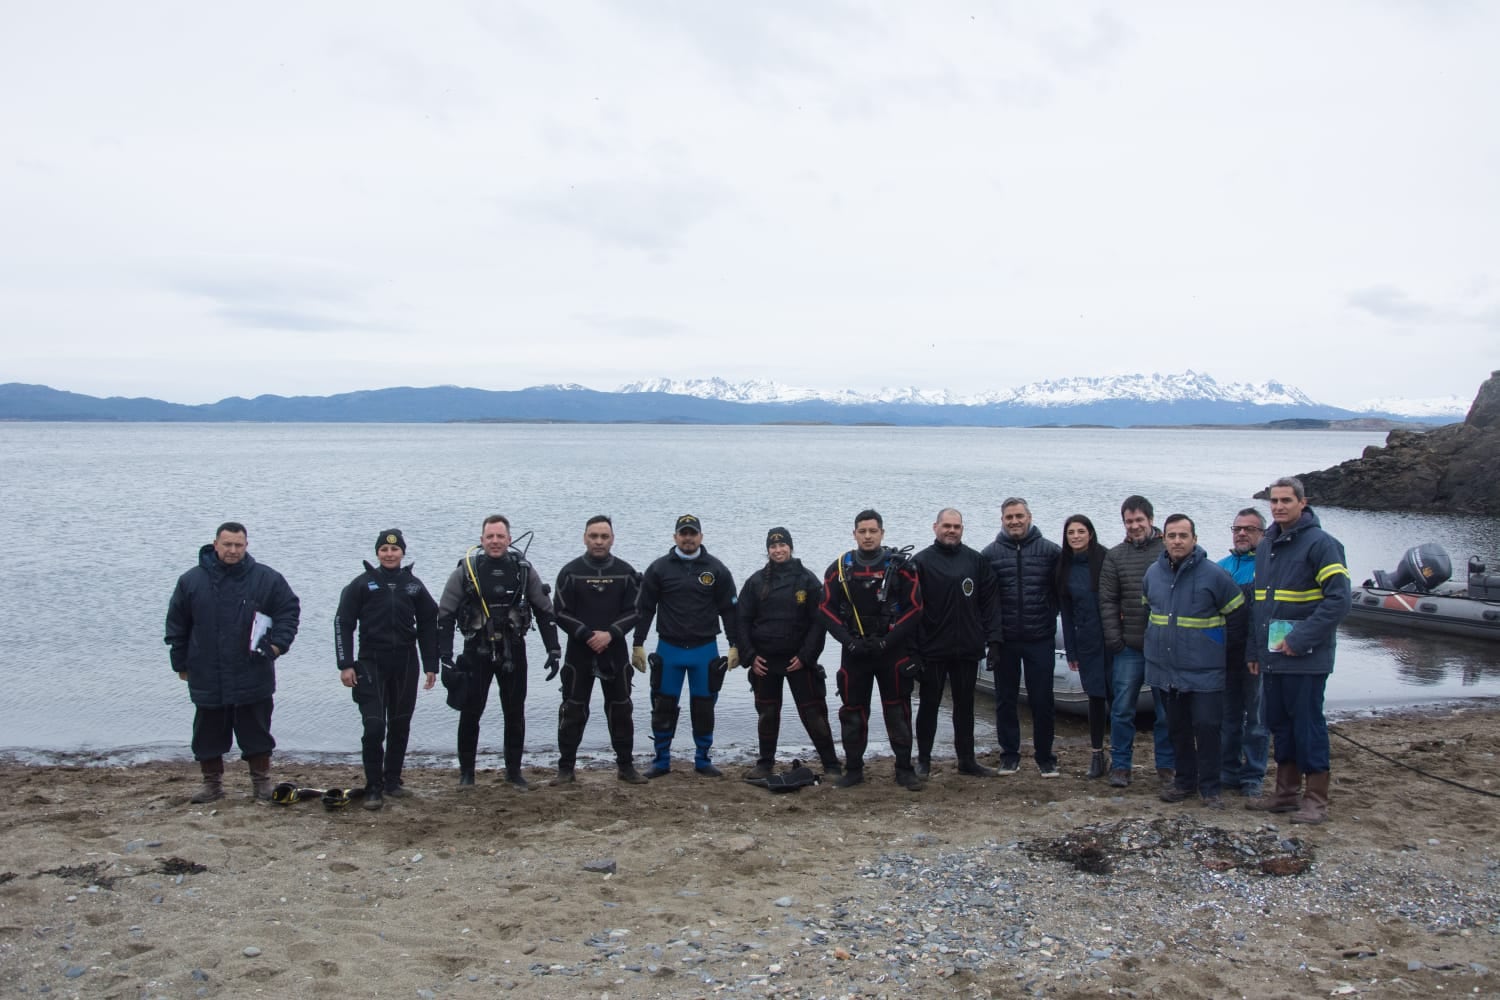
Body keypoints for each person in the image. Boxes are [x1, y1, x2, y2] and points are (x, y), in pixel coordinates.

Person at [165, 522, 301, 803]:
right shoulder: (191, 581)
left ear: (246, 546)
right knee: (207, 731)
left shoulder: (267, 578)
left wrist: (277, 645)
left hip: (253, 670)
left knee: (257, 730)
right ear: (215, 544)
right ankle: (212, 785)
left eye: (238, 545)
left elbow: (289, 611)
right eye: (227, 544)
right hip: (206, 671)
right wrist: (180, 664)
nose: (232, 550)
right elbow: (177, 626)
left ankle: (261, 784)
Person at [1248, 477, 1352, 824]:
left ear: (1302, 503)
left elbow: (1339, 600)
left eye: (1286, 501)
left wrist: (1301, 638)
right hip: (1273, 655)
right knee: (1280, 725)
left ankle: (1316, 799)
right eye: (1274, 501)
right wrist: (1255, 651)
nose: (1278, 506)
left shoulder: (1322, 545)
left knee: (1308, 726)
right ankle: (1285, 793)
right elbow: (1259, 604)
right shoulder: (1266, 546)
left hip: (1306, 657)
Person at [436, 515, 561, 790]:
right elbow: (444, 615)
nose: (495, 541)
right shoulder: (466, 571)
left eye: (500, 536)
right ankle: (467, 775)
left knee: (515, 713)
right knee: (470, 713)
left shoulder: (523, 570)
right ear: (481, 540)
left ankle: (514, 773)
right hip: (475, 649)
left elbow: (545, 611)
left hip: (513, 649)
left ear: (509, 539)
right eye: (490, 537)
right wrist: (444, 657)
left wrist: (554, 650)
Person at [818, 509, 925, 791]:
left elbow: (915, 609)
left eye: (873, 531)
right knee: (853, 711)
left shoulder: (900, 566)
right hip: (855, 651)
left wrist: (886, 642)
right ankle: (853, 769)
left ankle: (904, 768)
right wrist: (847, 641)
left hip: (891, 650)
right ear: (854, 534)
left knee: (898, 711)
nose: (867, 536)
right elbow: (825, 609)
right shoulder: (840, 568)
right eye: (862, 531)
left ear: (882, 533)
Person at [1142, 514, 1245, 808]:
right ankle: (1185, 781)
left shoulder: (1214, 575)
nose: (1177, 541)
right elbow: (1148, 610)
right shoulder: (1153, 574)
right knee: (1178, 728)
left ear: (1194, 540)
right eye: (1172, 535)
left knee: (1208, 727)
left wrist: (1225, 654)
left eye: (1183, 536)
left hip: (1206, 671)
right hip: (1167, 670)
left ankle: (1211, 788)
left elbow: (1237, 617)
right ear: (1164, 538)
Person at [333, 529, 439, 810]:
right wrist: (345, 665)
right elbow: (343, 623)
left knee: (400, 723)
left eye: (394, 550)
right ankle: (373, 786)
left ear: (402, 552)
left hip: (406, 662)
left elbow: (430, 621)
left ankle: (392, 781)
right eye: (384, 550)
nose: (390, 554)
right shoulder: (362, 584)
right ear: (377, 553)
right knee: (374, 725)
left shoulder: (413, 585)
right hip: (371, 662)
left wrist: (431, 664)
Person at [631, 514, 740, 778]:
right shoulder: (659, 569)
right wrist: (638, 643)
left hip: (705, 649)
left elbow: (730, 610)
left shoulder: (716, 569)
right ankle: (661, 759)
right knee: (663, 705)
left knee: (704, 706)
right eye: (683, 533)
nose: (688, 538)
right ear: (675, 537)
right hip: (670, 649)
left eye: (692, 533)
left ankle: (702, 759)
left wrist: (735, 644)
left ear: (701, 537)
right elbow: (645, 609)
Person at [551, 515, 649, 785]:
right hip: (579, 652)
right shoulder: (570, 572)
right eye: (593, 536)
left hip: (613, 651)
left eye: (604, 537)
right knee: (572, 709)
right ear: (584, 538)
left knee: (620, 709)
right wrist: (585, 634)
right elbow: (559, 611)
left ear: (612, 539)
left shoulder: (626, 572)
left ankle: (626, 767)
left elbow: (636, 611)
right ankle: (566, 768)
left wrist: (611, 634)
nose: (598, 541)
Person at [737, 526, 841, 780]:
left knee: (814, 714)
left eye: (782, 545)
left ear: (790, 547)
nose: (778, 550)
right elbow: (741, 620)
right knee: (767, 714)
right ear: (768, 550)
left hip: (799, 661)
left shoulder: (807, 580)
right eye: (773, 547)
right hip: (765, 661)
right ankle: (764, 763)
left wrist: (807, 656)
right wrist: (749, 656)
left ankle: (831, 765)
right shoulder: (756, 581)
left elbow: (820, 622)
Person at [911, 508, 1003, 778]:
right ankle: (924, 761)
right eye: (946, 526)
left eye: (957, 526)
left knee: (965, 707)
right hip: (933, 650)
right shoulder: (921, 562)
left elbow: (990, 603)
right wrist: (913, 651)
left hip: (967, 648)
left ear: (962, 529)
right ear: (935, 527)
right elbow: (910, 611)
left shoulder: (976, 561)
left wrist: (994, 641)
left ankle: (967, 760)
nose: (951, 530)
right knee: (928, 706)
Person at [1098, 495, 1176, 790]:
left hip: (1163, 648)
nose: (1134, 526)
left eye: (1139, 520)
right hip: (1128, 646)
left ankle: (1167, 765)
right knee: (1121, 710)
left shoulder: (1168, 551)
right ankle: (1120, 766)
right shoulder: (1115, 556)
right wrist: (1114, 639)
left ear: (1151, 520)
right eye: (1129, 521)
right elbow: (1107, 600)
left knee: (1166, 711)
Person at [982, 498, 1062, 777]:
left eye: (1019, 516)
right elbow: (985, 600)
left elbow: (1062, 589)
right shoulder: (990, 554)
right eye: (1009, 517)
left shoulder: (1050, 551)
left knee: (1042, 700)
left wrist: (1051, 613)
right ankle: (1009, 755)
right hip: (1005, 639)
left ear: (1029, 517)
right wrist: (990, 637)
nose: (1014, 521)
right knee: (1005, 699)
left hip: (1040, 637)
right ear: (1002, 520)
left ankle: (1045, 756)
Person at [1054, 514, 1112, 779]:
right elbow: (1066, 612)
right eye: (1070, 533)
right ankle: (1097, 754)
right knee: (1096, 698)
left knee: (1118, 699)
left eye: (1080, 531)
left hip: (1111, 640)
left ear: (1090, 533)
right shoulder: (1064, 566)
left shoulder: (1105, 559)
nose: (1075, 536)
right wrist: (1072, 651)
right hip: (1086, 641)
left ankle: (1120, 756)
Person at [1218, 507, 1268, 802]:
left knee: (1258, 718)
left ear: (1262, 534)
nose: (1242, 533)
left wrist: (1259, 651)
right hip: (1225, 654)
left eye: (1249, 529)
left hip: (1257, 655)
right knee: (1228, 715)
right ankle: (1228, 770)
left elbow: (1265, 616)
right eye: (1237, 528)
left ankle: (1253, 775)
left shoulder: (1268, 567)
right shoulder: (1220, 567)